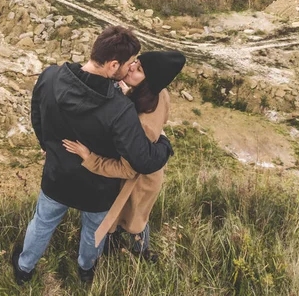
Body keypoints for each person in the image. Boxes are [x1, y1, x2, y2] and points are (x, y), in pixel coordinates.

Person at [11, 26, 174, 285]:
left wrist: (46, 143)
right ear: (112, 65)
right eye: (130, 64)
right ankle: (86, 271)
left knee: (42, 223)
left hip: (57, 175)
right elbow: (142, 161)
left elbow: (37, 110)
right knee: (93, 232)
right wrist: (164, 145)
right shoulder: (120, 109)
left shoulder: (51, 76)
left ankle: (23, 269)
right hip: (98, 188)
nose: (130, 69)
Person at [63, 50, 186, 261]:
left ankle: (140, 253)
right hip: (148, 174)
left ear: (150, 81)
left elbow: (127, 168)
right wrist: (126, 92)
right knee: (132, 216)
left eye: (139, 70)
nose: (131, 68)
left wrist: (89, 158)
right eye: (135, 63)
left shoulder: (142, 124)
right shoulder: (157, 93)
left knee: (133, 219)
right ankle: (122, 247)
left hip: (138, 182)